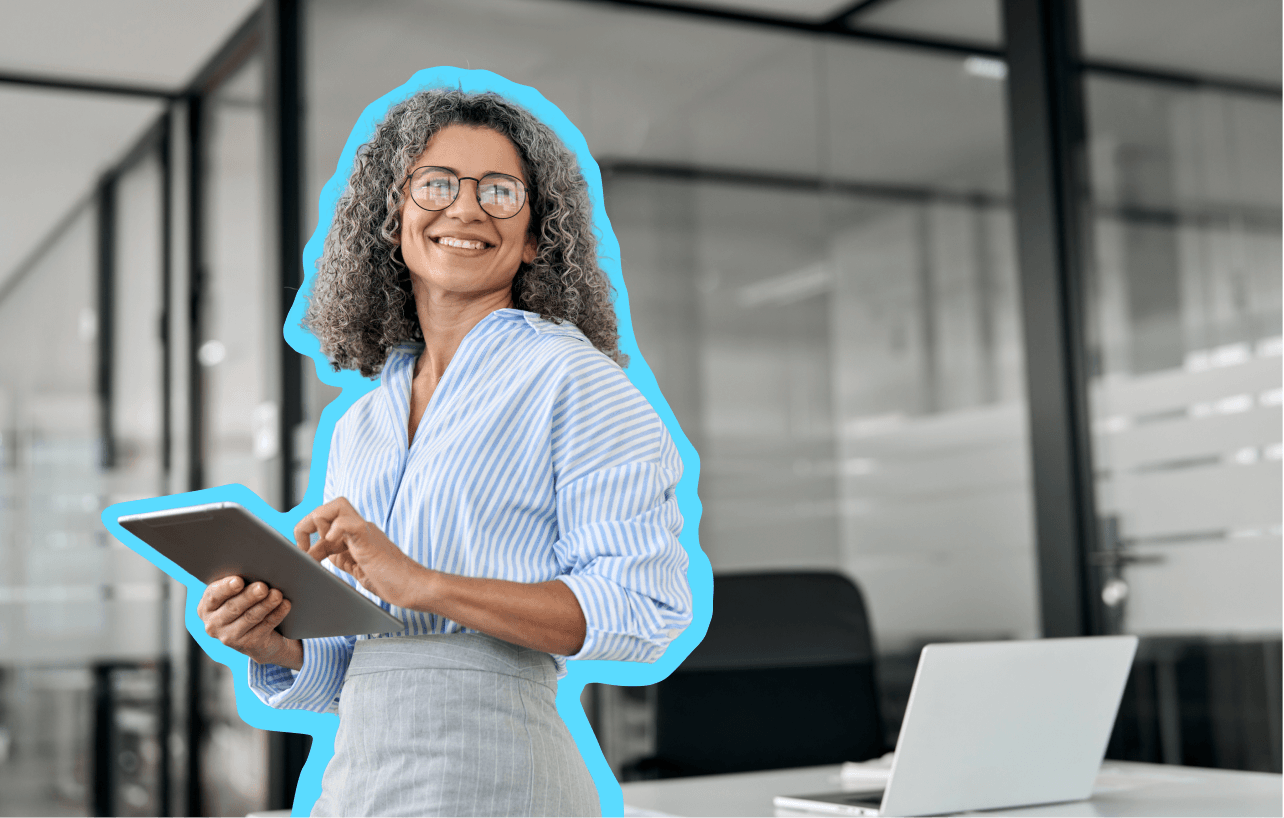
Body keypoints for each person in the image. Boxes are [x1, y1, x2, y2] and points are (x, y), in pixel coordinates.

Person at [195, 89, 693, 818]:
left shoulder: (574, 379)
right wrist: (278, 644)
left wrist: (424, 583)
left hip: (501, 780)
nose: (465, 210)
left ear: (535, 238)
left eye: (500, 192)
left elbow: (642, 608)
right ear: (391, 221)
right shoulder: (362, 422)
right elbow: (368, 659)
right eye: (436, 185)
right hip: (361, 786)